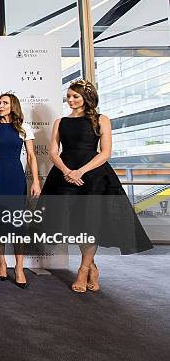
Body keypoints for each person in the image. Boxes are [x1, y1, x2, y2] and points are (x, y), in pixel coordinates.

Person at [38, 80, 153, 293]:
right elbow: (53, 152)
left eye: (75, 96)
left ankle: (83, 269)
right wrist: (67, 171)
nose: (70, 100)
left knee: (91, 223)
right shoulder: (60, 121)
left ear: (86, 98)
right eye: (69, 96)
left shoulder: (102, 119)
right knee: (77, 224)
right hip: (65, 176)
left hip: (94, 177)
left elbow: (105, 152)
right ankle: (91, 265)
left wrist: (80, 171)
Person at [0, 93, 40, 289]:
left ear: (13, 105)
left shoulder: (23, 127)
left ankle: (19, 267)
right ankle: (2, 262)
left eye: (5, 102)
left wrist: (36, 182)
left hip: (16, 178)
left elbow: (31, 156)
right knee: (0, 221)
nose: (0, 105)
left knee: (17, 224)